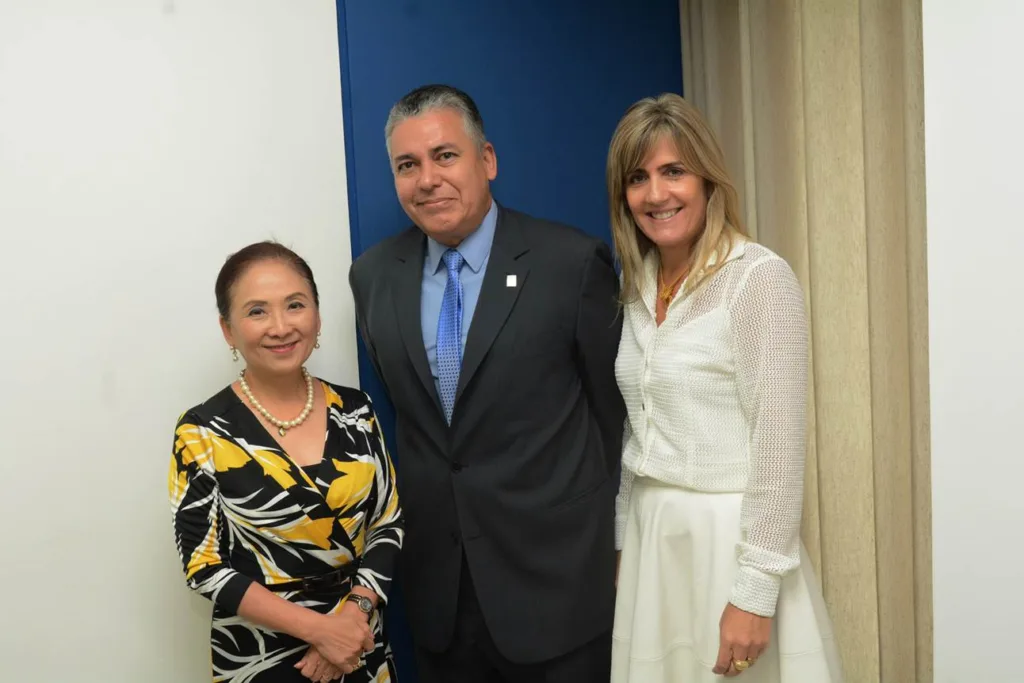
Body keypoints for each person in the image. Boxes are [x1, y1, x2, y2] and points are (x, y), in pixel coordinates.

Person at [348, 84, 625, 683]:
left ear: (488, 160)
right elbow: (414, 420)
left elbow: (614, 416)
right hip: (442, 598)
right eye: (407, 165)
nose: (427, 179)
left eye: (445, 155)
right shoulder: (372, 279)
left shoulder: (570, 264)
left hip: (557, 593)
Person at [606, 93, 844, 682]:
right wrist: (620, 542)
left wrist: (755, 592)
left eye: (673, 172)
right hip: (651, 540)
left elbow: (779, 451)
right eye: (638, 178)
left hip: (728, 545)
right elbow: (639, 428)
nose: (656, 194)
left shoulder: (759, 278)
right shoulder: (636, 284)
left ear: (708, 179)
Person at [168, 242, 404, 682]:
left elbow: (388, 522)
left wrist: (352, 617)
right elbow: (204, 568)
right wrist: (321, 631)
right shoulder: (201, 431)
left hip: (360, 641)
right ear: (228, 329)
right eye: (257, 311)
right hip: (259, 656)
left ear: (316, 315)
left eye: (295, 305)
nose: (280, 326)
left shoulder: (356, 409)